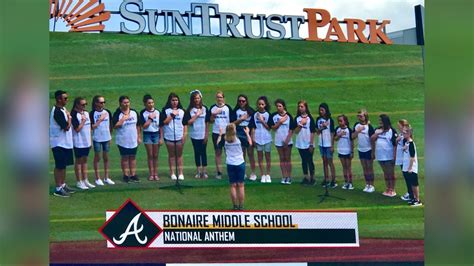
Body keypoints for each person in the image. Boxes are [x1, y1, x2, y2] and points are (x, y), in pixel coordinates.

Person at [217, 123, 252, 210]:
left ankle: (235, 206)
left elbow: (218, 144)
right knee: (241, 185)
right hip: (240, 163)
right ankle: (241, 206)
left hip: (230, 163)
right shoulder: (239, 138)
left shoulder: (225, 140)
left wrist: (220, 135)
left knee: (233, 185)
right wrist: (247, 133)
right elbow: (250, 143)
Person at [50, 90, 75, 197]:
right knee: (59, 165)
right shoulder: (57, 112)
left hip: (65, 142)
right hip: (58, 143)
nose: (67, 100)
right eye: (65, 98)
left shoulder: (63, 109)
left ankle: (63, 184)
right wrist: (70, 119)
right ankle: (58, 187)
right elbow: (66, 127)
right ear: (59, 99)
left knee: (64, 165)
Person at [112, 96, 141, 183]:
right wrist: (122, 120)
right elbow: (115, 126)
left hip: (133, 139)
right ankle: (125, 175)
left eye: (128, 102)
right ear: (121, 103)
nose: (126, 104)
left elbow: (138, 125)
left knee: (132, 157)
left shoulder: (134, 112)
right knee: (125, 157)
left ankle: (133, 174)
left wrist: (139, 137)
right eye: (124, 102)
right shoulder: (118, 114)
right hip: (123, 139)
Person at [183, 90, 210, 179]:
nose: (197, 100)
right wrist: (196, 115)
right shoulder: (190, 110)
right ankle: (198, 171)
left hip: (203, 134)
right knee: (197, 152)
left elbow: (207, 122)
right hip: (195, 135)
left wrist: (206, 134)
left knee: (203, 153)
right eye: (195, 98)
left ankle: (204, 172)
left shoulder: (205, 108)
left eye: (198, 98)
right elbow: (188, 122)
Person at [371, 114, 398, 197]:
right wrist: (379, 133)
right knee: (385, 173)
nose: (380, 122)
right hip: (380, 155)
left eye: (381, 121)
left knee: (391, 173)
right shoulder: (377, 130)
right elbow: (372, 139)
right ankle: (388, 187)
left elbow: (395, 145)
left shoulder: (392, 131)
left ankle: (392, 189)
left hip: (389, 156)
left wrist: (394, 157)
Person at [90, 95, 114, 186]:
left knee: (106, 157)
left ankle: (106, 177)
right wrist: (100, 120)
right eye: (101, 102)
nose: (103, 104)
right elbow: (92, 127)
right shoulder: (92, 113)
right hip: (97, 138)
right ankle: (97, 178)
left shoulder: (107, 112)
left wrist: (110, 136)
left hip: (106, 138)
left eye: (104, 102)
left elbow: (110, 125)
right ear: (96, 103)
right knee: (97, 157)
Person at [71, 97, 95, 190]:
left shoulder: (86, 113)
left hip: (86, 141)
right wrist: (83, 121)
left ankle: (85, 180)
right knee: (79, 162)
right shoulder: (74, 114)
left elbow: (89, 128)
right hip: (78, 142)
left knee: (85, 161)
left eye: (85, 104)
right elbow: (77, 129)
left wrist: (90, 141)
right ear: (77, 105)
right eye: (82, 104)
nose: (84, 106)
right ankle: (79, 181)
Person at [162, 93, 187, 180]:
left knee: (179, 155)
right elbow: (164, 122)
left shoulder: (182, 111)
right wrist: (172, 115)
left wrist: (184, 134)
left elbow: (185, 124)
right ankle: (172, 173)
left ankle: (180, 173)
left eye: (176, 100)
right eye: (173, 100)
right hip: (169, 136)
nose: (175, 102)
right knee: (171, 155)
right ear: (170, 101)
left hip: (179, 135)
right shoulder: (165, 110)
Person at [232, 94, 257, 181]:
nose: (241, 103)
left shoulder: (251, 111)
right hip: (239, 131)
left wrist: (252, 134)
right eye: (240, 101)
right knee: (242, 154)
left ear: (246, 102)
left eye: (243, 101)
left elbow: (254, 123)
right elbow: (232, 124)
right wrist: (241, 119)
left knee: (250, 154)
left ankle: (253, 173)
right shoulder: (236, 111)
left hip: (248, 131)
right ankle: (243, 172)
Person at [271, 99, 296, 185]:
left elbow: (291, 129)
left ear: (283, 106)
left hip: (287, 141)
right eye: (277, 106)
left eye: (280, 106)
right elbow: (273, 128)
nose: (278, 108)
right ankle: (284, 176)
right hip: (278, 140)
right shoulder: (274, 116)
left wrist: (287, 140)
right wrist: (280, 122)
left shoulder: (289, 116)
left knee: (287, 159)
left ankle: (289, 176)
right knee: (281, 159)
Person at [209, 91, 233, 179]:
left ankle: (230, 171)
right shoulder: (212, 108)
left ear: (223, 98)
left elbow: (231, 121)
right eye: (218, 97)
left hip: (226, 134)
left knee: (229, 153)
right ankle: (219, 172)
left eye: (221, 97)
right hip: (216, 133)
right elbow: (210, 121)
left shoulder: (228, 108)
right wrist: (214, 114)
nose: (219, 99)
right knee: (218, 153)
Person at [139, 94, 163, 181]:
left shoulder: (158, 112)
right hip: (147, 134)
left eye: (152, 102)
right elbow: (144, 126)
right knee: (150, 155)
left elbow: (160, 126)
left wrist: (161, 138)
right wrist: (150, 119)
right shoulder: (143, 113)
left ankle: (156, 174)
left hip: (156, 134)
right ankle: (151, 174)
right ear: (145, 104)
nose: (151, 104)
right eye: (149, 103)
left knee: (155, 155)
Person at [352, 109, 375, 192]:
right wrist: (357, 131)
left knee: (369, 168)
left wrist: (373, 152)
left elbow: (373, 140)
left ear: (365, 117)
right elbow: (352, 137)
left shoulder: (369, 127)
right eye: (358, 116)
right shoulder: (356, 125)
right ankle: (367, 184)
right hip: (360, 149)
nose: (359, 117)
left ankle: (371, 184)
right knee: (364, 168)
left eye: (361, 116)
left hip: (368, 149)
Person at [294, 100, 317, 185]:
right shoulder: (297, 118)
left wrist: (311, 144)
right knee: (303, 160)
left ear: (306, 108)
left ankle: (312, 178)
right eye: (299, 107)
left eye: (302, 106)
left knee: (309, 160)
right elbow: (295, 131)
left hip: (308, 144)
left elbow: (312, 131)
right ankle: (306, 177)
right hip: (300, 143)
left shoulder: (310, 118)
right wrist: (300, 125)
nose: (300, 108)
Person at [251, 96, 273, 183]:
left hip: (267, 138)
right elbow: (253, 128)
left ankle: (268, 174)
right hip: (258, 138)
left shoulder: (268, 115)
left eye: (262, 104)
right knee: (260, 157)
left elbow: (269, 128)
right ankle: (262, 174)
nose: (260, 106)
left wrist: (262, 120)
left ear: (265, 105)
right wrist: (253, 139)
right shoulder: (254, 115)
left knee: (267, 157)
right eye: (259, 104)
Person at [316, 103, 336, 188]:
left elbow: (332, 133)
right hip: (321, 143)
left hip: (328, 144)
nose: (321, 112)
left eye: (322, 110)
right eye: (320, 110)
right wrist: (322, 127)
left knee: (330, 162)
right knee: (324, 162)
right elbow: (317, 132)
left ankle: (333, 179)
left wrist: (332, 145)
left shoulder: (330, 120)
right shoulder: (318, 119)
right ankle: (326, 178)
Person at [401, 126, 422, 206]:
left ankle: (417, 199)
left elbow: (412, 157)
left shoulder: (411, 144)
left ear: (409, 134)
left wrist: (410, 168)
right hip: (406, 166)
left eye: (404, 133)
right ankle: (413, 198)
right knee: (410, 183)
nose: (403, 134)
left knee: (414, 184)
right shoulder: (406, 142)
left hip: (411, 167)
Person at [335, 114, 354, 190]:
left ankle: (350, 183)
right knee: (344, 167)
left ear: (345, 121)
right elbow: (335, 139)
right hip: (341, 150)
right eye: (338, 121)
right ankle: (346, 182)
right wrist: (339, 135)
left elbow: (352, 141)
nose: (339, 122)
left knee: (348, 167)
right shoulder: (337, 129)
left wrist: (352, 151)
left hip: (347, 151)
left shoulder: (349, 130)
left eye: (341, 121)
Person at [396, 119, 411, 201]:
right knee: (406, 176)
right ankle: (409, 192)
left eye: (399, 125)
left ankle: (410, 193)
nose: (398, 127)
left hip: (405, 158)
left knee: (407, 176)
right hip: (401, 158)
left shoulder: (405, 134)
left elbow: (408, 143)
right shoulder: (401, 133)